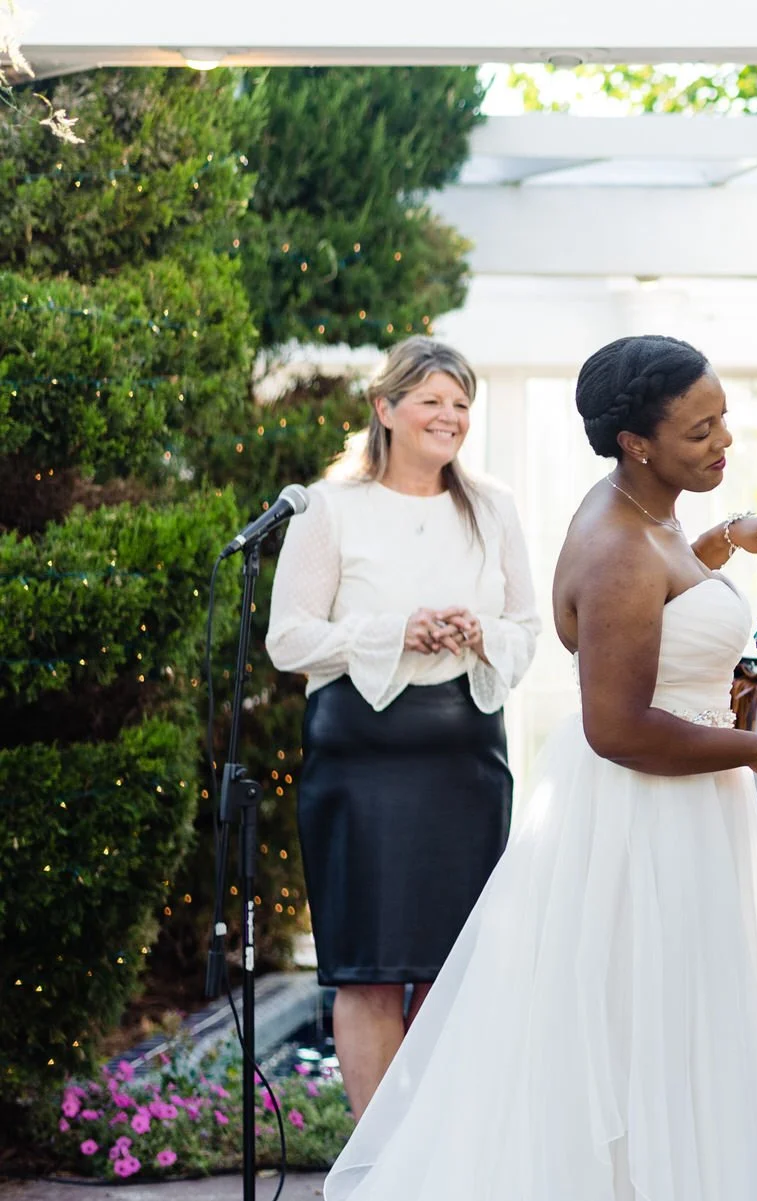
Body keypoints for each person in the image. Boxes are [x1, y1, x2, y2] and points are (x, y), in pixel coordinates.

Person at [322, 334, 757, 1200]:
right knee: (645, 1034)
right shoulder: (615, 542)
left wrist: (720, 542)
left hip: (683, 810)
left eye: (724, 421)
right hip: (644, 818)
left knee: (677, 1029)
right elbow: (619, 727)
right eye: (700, 431)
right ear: (637, 442)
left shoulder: (648, 516)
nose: (723, 444)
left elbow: (665, 600)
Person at [267, 336, 539, 1120]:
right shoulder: (329, 507)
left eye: (461, 404)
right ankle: (375, 1159)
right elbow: (289, 639)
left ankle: (438, 1150)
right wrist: (391, 632)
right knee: (371, 970)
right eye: (432, 401)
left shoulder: (495, 508)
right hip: (360, 766)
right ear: (385, 409)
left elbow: (528, 628)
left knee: (452, 971)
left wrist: (478, 632)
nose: (450, 417)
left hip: (465, 764)